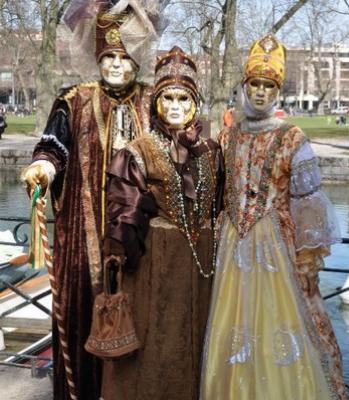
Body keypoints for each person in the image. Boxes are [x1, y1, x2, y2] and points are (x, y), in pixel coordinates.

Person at [21, 1, 158, 398]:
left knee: (140, 321)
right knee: (83, 320)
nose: (115, 65)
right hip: (83, 243)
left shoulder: (153, 102)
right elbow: (54, 146)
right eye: (108, 57)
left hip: (139, 242)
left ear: (135, 59)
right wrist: (44, 169)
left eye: (123, 57)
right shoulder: (74, 101)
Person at [201, 33, 347, 400]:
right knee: (232, 330)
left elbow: (307, 202)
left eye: (268, 85)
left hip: (276, 253)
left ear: (277, 89)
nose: (261, 92)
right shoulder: (227, 136)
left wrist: (307, 258)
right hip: (233, 250)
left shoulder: (291, 138)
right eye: (255, 84)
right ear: (245, 85)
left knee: (279, 327)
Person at [101, 46, 223, 400]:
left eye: (183, 99)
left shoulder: (211, 151)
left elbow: (218, 204)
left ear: (194, 104)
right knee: (160, 341)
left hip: (203, 266)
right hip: (157, 266)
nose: (175, 107)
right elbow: (124, 208)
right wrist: (120, 253)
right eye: (167, 98)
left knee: (199, 336)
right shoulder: (138, 151)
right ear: (156, 102)